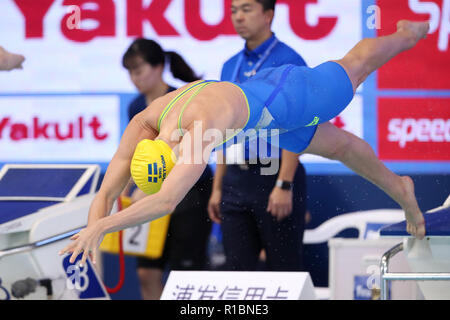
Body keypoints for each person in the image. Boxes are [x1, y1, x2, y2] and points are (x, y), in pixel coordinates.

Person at [60, 20, 430, 268]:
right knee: (341, 147)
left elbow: (165, 201)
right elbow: (105, 194)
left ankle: (407, 35)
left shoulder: (200, 130)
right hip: (260, 117)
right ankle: (400, 187)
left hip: (285, 99)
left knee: (356, 65)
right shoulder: (147, 120)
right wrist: (93, 232)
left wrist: (102, 227)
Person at [208, 0, 309, 271]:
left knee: (283, 270)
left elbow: (298, 126)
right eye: (233, 11)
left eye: (246, 9)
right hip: (235, 177)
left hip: (275, 174)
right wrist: (218, 187)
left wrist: (284, 183)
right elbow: (224, 130)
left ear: (268, 15)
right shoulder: (230, 66)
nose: (238, 17)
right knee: (237, 272)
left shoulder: (289, 61)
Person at [120, 39, 212, 300]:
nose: (134, 78)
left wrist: (152, 190)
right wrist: (122, 192)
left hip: (191, 193)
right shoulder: (135, 107)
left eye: (138, 70)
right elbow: (132, 154)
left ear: (159, 66)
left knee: (186, 276)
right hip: (151, 194)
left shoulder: (184, 100)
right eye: (130, 72)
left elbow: (190, 154)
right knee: (146, 273)